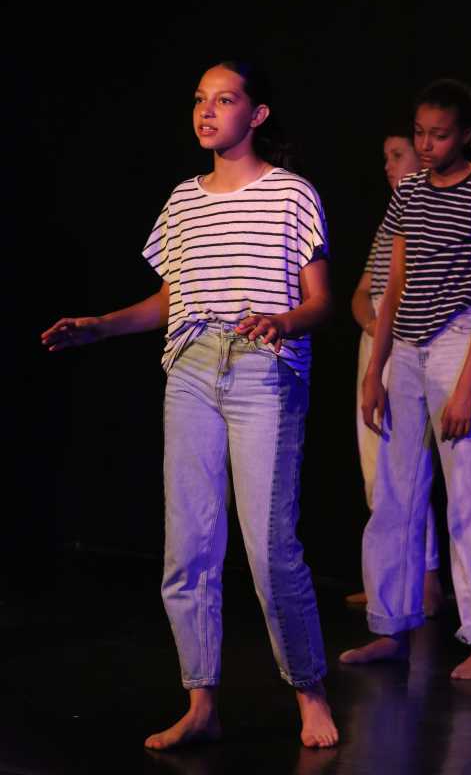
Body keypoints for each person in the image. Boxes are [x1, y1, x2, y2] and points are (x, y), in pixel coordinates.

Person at [42, 60, 339, 748]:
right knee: (190, 547)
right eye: (201, 100)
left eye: (224, 99)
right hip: (191, 370)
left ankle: (310, 692)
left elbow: (320, 300)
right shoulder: (183, 200)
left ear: (256, 114)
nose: (207, 111)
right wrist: (101, 326)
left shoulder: (291, 193)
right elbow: (169, 300)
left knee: (270, 549)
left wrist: (282, 321)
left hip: (263, 368)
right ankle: (201, 702)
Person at [339, 79, 471, 680]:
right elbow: (392, 287)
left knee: (470, 496)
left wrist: (466, 386)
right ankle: (390, 626)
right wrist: (376, 371)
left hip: (458, 342)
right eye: (420, 134)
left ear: (465, 134)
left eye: (439, 135)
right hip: (406, 350)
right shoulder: (410, 192)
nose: (427, 145)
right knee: (393, 493)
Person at [347, 131, 444, 616]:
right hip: (377, 343)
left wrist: (389, 332)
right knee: (375, 470)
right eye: (385, 156)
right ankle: (388, 581)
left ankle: (425, 582)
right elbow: (363, 290)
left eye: (397, 155)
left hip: (409, 343)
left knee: (407, 468)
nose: (388, 165)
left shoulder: (433, 211)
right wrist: (372, 326)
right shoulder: (391, 219)